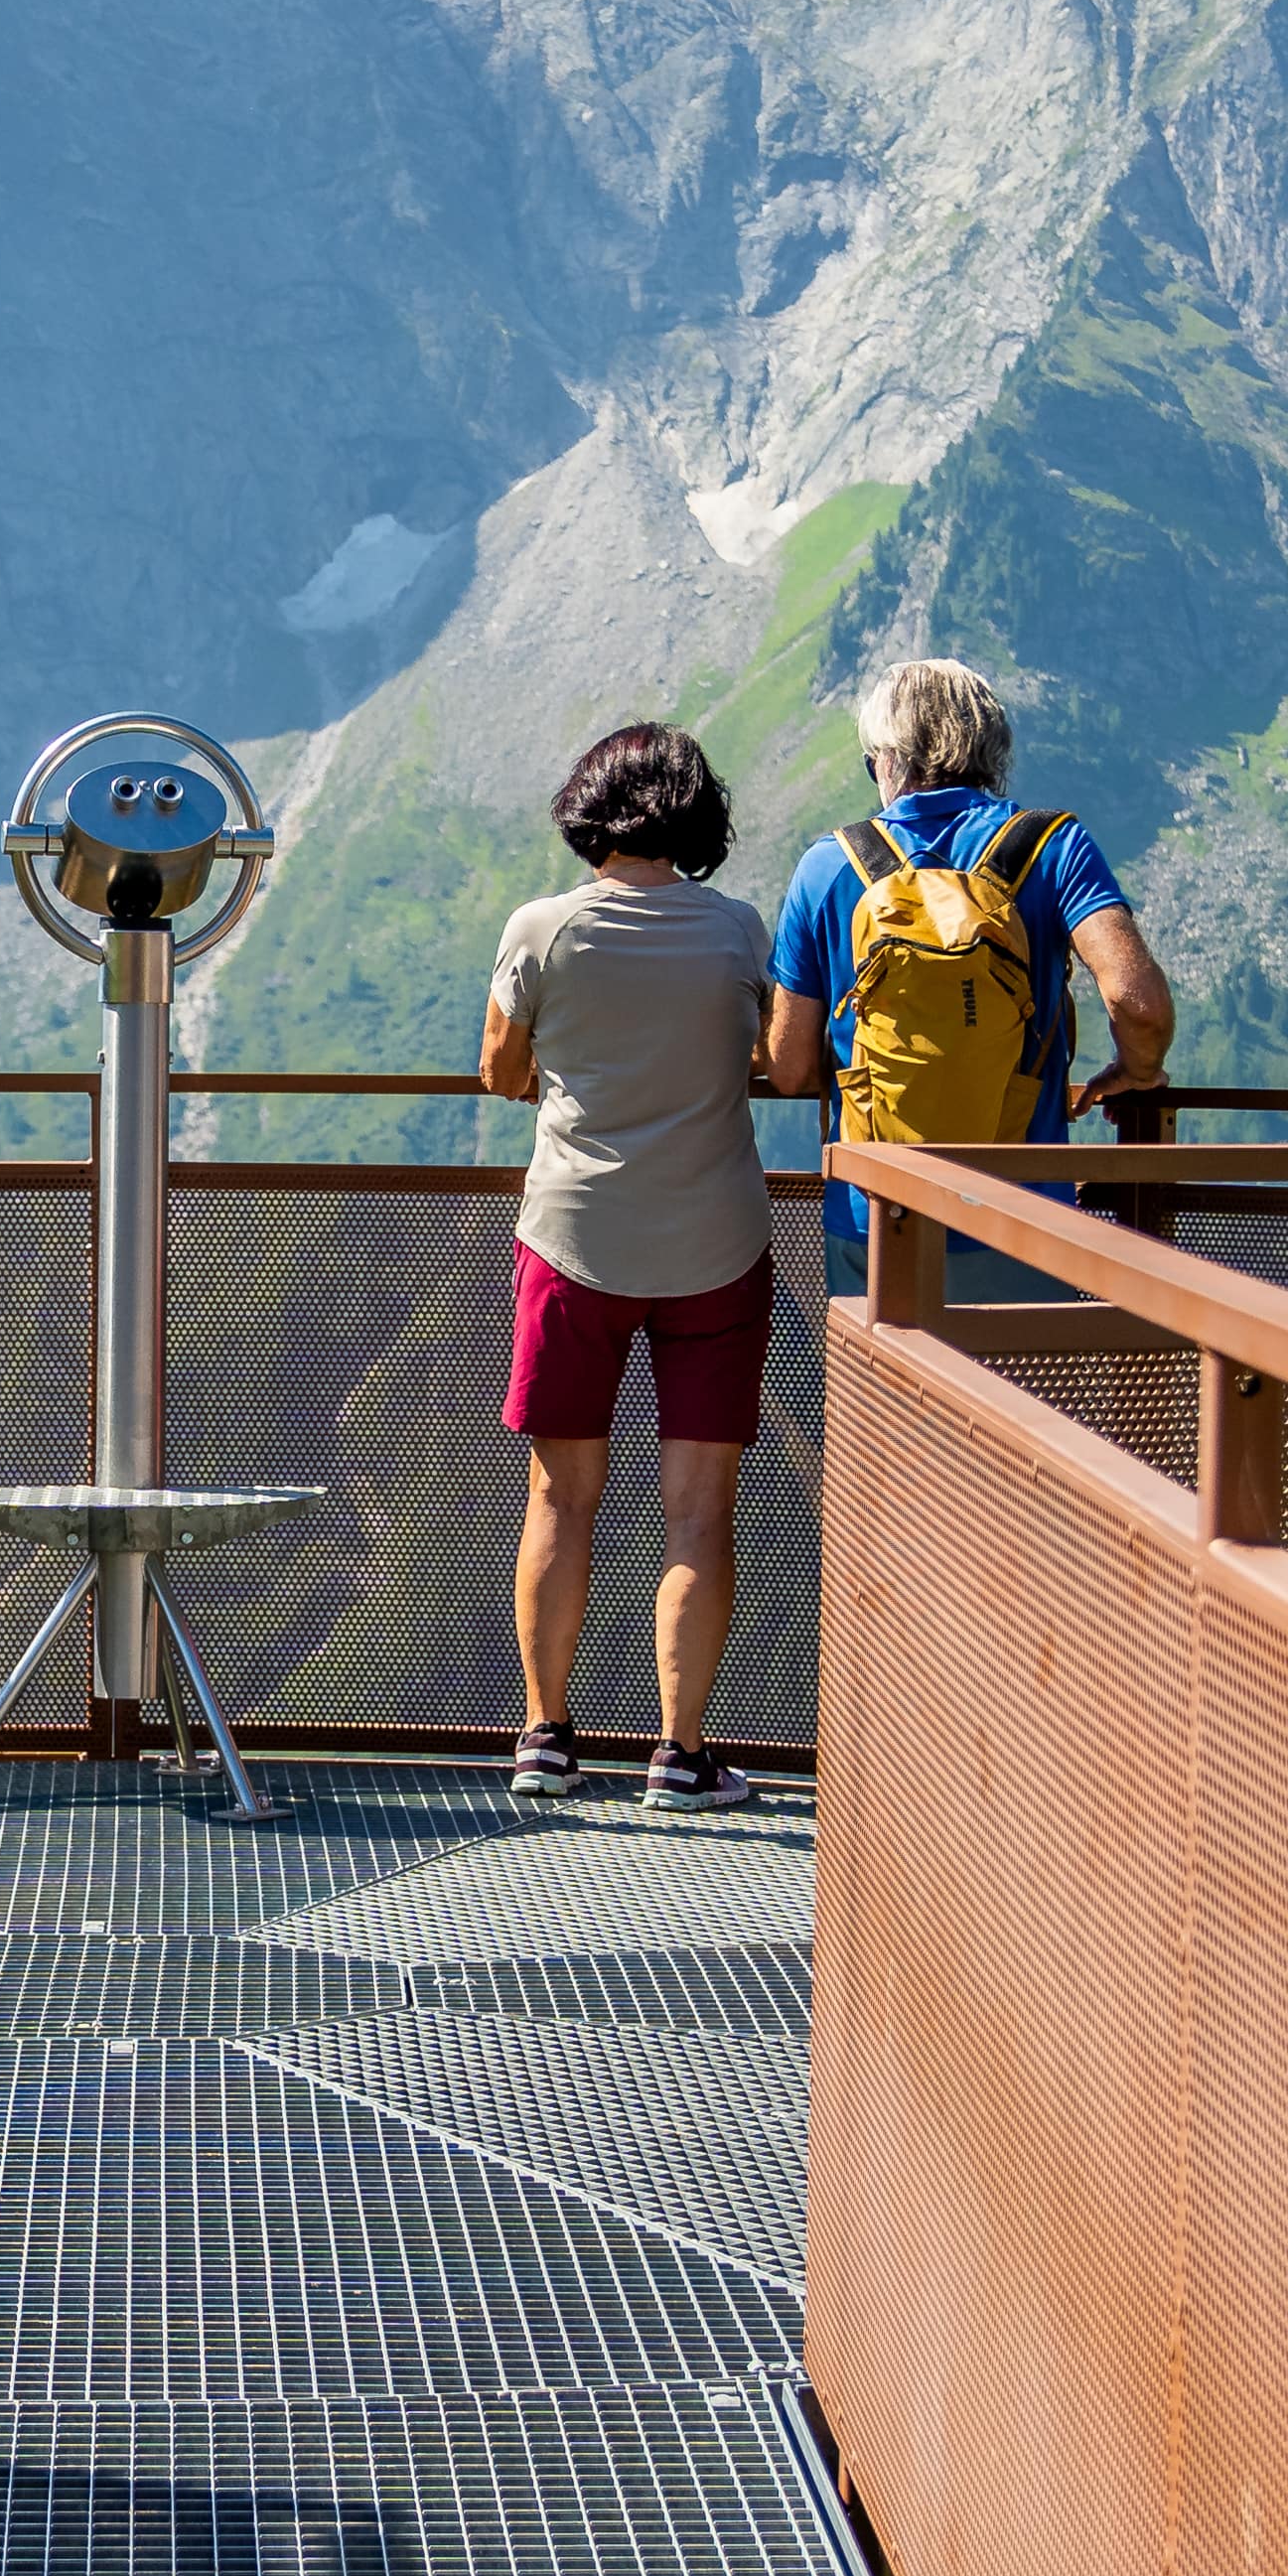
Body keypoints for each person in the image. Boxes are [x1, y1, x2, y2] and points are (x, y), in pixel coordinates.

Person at [483, 720, 785, 1807]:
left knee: (561, 1498)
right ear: (694, 817)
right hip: (714, 1240)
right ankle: (679, 1753)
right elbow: (771, 1060)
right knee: (699, 1511)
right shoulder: (735, 933)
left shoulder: (542, 930)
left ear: (586, 807)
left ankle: (544, 1734)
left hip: (573, 1240)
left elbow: (497, 1070)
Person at [769, 653, 1175, 1275]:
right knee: (1018, 1377)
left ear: (889, 758)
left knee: (877, 1375)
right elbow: (1137, 1004)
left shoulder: (827, 865)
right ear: (991, 750)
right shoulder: (1053, 843)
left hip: (875, 1213)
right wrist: (1139, 1072)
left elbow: (791, 1069)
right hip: (1024, 1211)